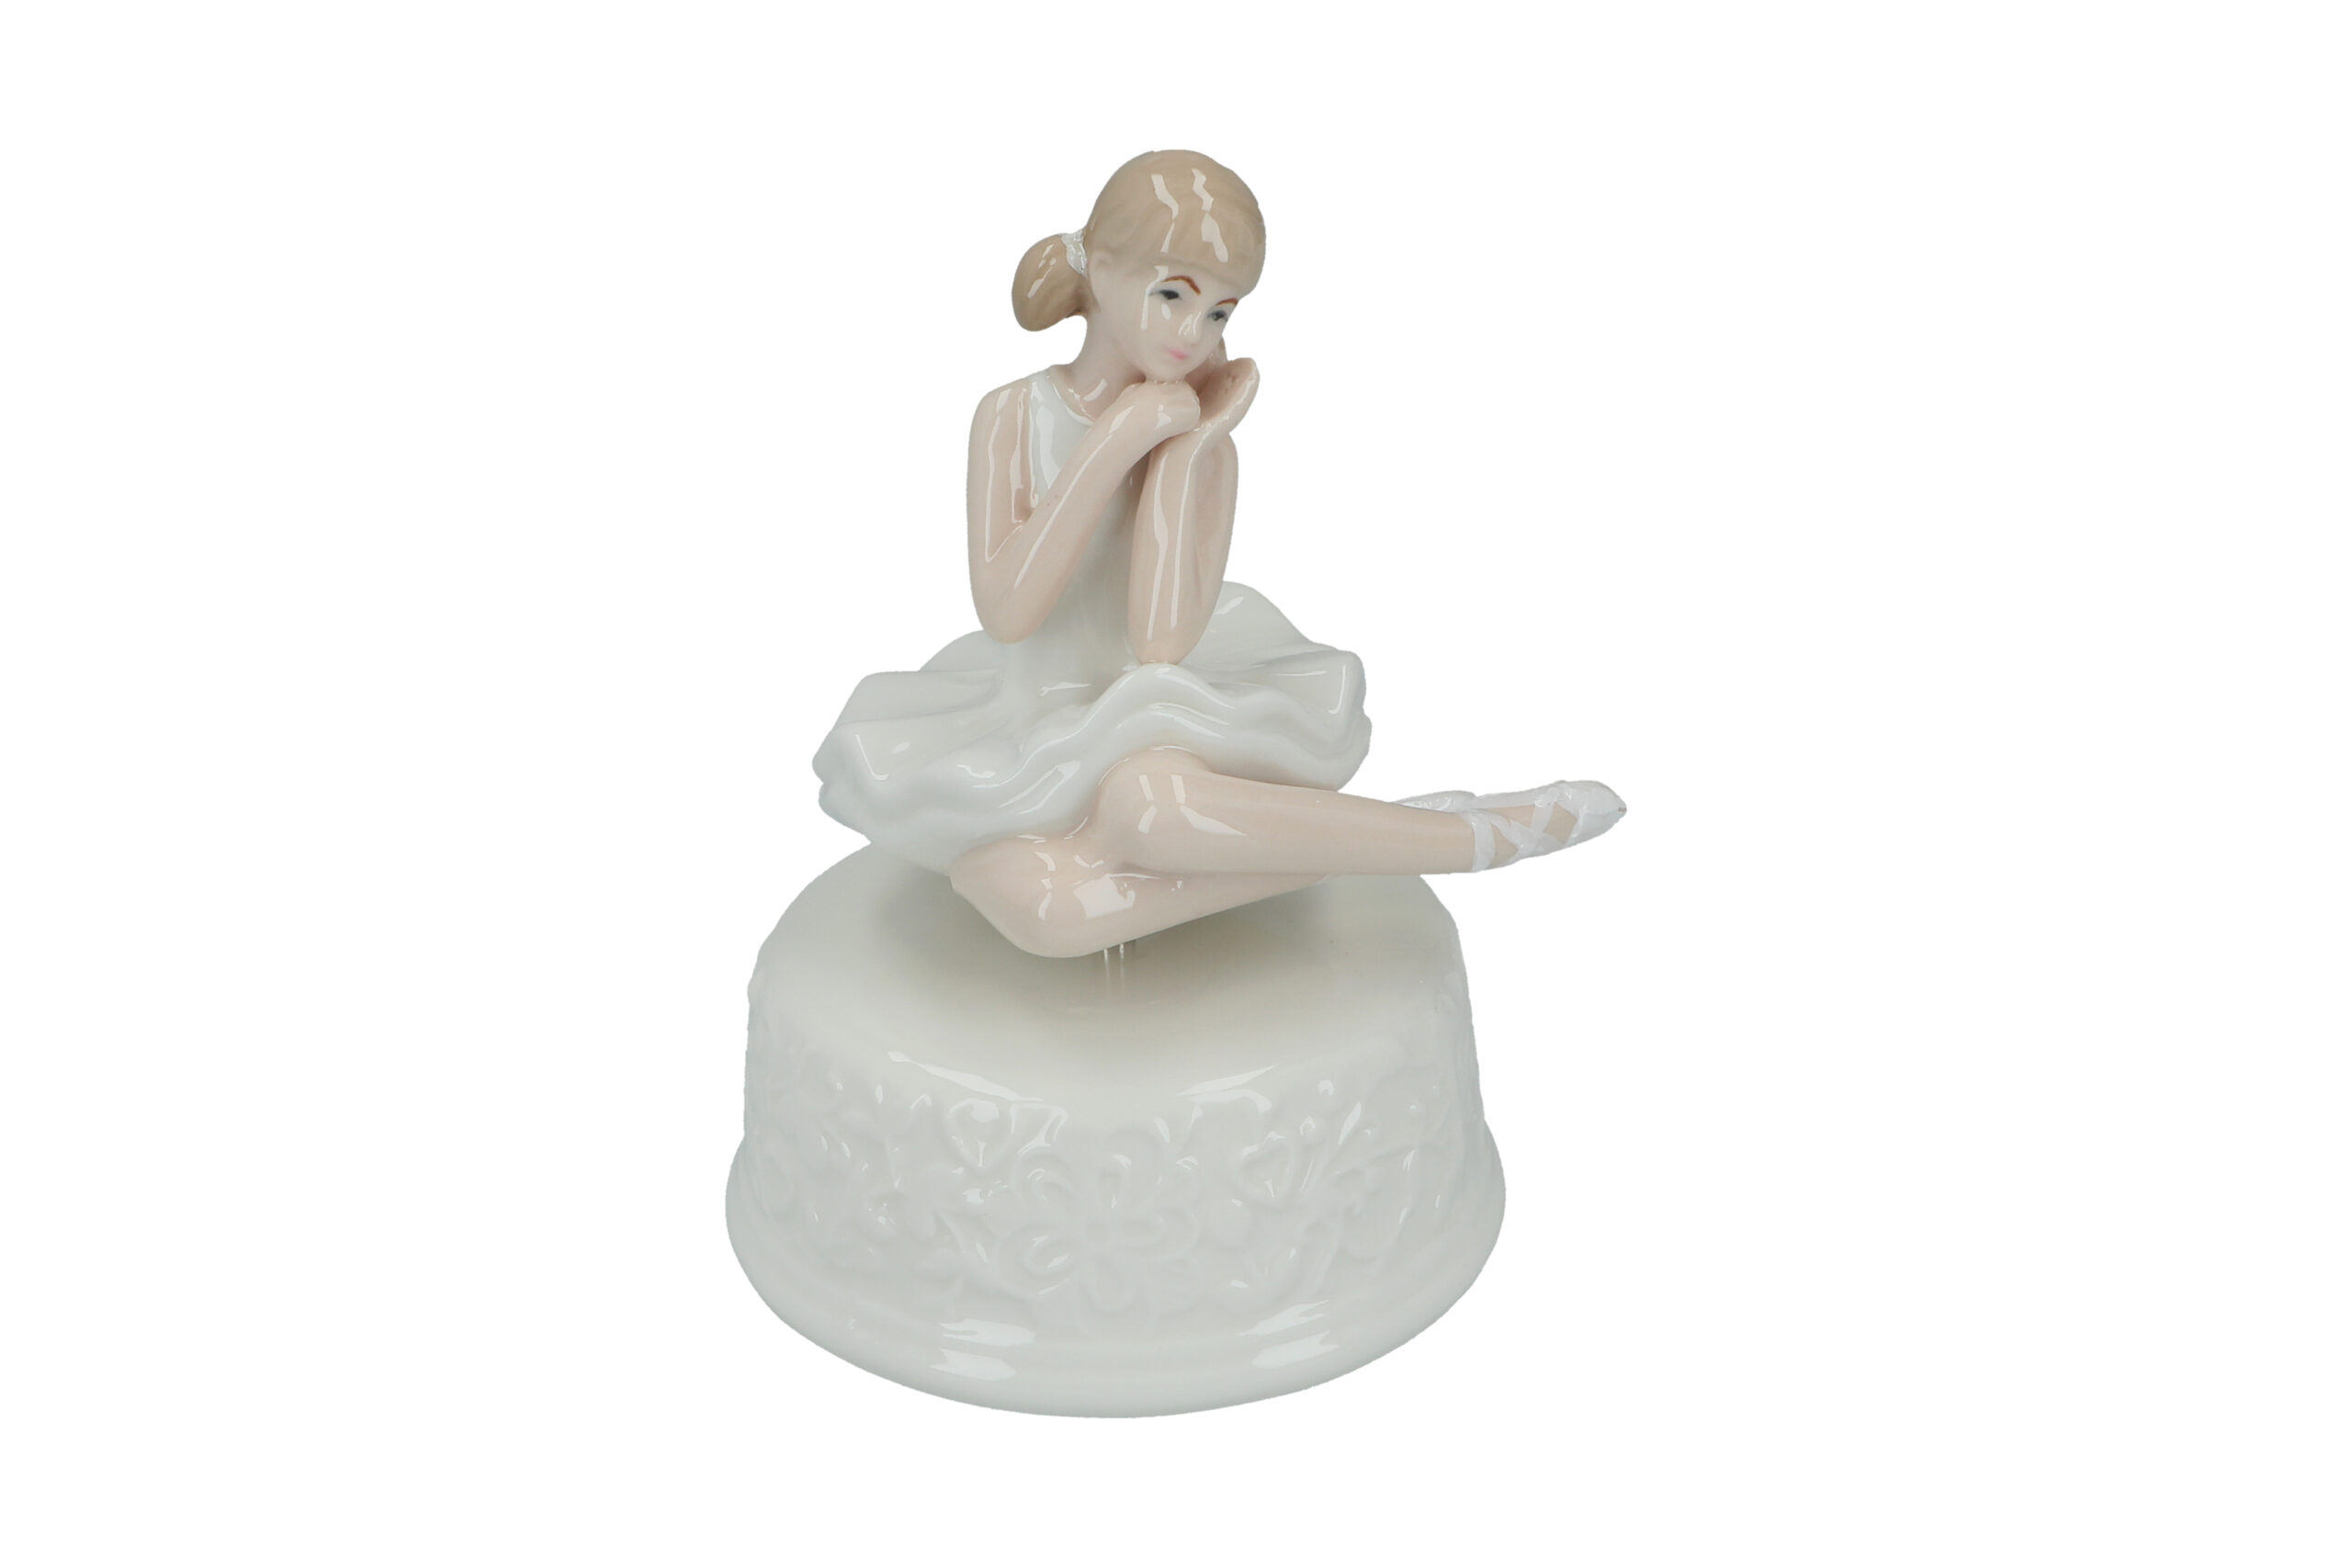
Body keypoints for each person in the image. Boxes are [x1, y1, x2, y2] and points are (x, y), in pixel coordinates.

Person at [812, 151, 1623, 957]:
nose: (1192, 335)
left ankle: (1471, 837)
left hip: (1153, 714)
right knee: (1048, 915)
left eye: (1220, 313)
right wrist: (1114, 441)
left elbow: (1160, 642)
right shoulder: (1011, 414)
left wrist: (1185, 451)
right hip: (1031, 720)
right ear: (1103, 271)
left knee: (1149, 806)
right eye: (1173, 295)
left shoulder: (1207, 444)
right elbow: (1008, 610)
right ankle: (1389, 834)